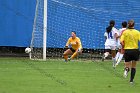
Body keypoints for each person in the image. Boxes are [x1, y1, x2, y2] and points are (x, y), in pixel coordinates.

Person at [120, 19, 140, 83]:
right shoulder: (137, 32)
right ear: (134, 24)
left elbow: (121, 41)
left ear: (128, 24)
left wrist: (123, 46)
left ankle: (126, 70)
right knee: (133, 66)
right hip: (135, 50)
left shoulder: (125, 32)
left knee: (127, 65)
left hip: (127, 50)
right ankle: (131, 81)